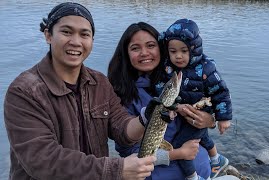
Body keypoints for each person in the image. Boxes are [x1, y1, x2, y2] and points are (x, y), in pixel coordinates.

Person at [4, 2, 158, 180]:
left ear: (92, 40)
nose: (76, 42)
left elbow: (121, 128)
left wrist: (146, 118)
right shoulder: (24, 91)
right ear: (48, 35)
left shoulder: (99, 82)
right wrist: (117, 169)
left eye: (84, 34)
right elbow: (44, 162)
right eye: (67, 32)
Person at [108, 22, 216, 180]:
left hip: (201, 171)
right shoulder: (120, 95)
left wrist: (209, 120)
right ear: (126, 54)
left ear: (161, 48)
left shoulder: (183, 80)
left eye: (151, 45)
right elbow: (129, 153)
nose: (144, 53)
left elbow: (211, 105)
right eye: (135, 48)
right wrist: (178, 154)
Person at [157, 18, 232, 179]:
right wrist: (172, 107)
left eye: (184, 51)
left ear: (194, 49)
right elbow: (162, 88)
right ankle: (216, 159)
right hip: (186, 116)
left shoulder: (206, 68)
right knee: (203, 136)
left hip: (198, 114)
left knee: (179, 145)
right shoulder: (169, 68)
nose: (178, 56)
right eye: (173, 51)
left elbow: (221, 93)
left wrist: (223, 118)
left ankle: (192, 177)